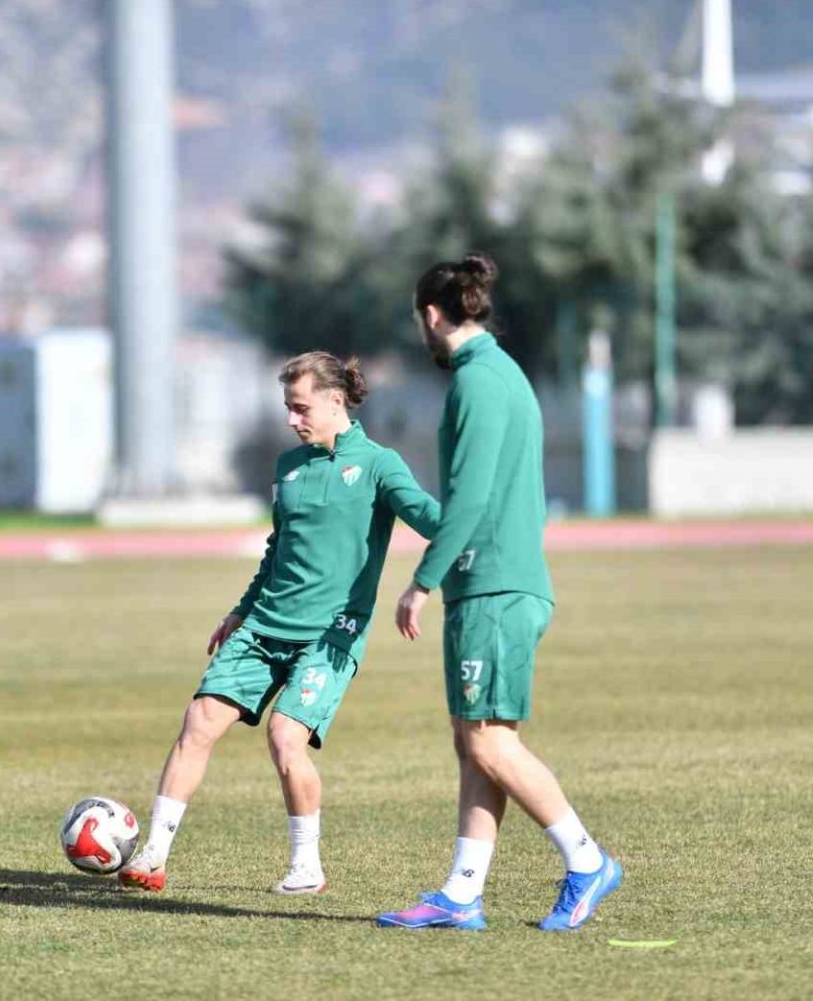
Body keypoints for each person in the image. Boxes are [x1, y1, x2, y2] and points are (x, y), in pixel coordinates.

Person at [120, 351, 440, 896]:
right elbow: (278, 550)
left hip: (330, 635)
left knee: (285, 736)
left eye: (300, 408)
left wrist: (442, 568)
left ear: (336, 401)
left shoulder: (380, 465)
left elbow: (435, 521)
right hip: (264, 624)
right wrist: (241, 609)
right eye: (288, 408)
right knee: (199, 722)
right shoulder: (288, 467)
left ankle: (306, 867)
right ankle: (153, 854)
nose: (291, 419)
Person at [376, 254, 622, 932]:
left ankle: (587, 860)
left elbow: (471, 497)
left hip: (495, 587)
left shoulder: (478, 382)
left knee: (487, 742)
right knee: (476, 742)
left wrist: (422, 581)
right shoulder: (500, 373)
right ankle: (462, 893)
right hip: (493, 584)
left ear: (432, 315)